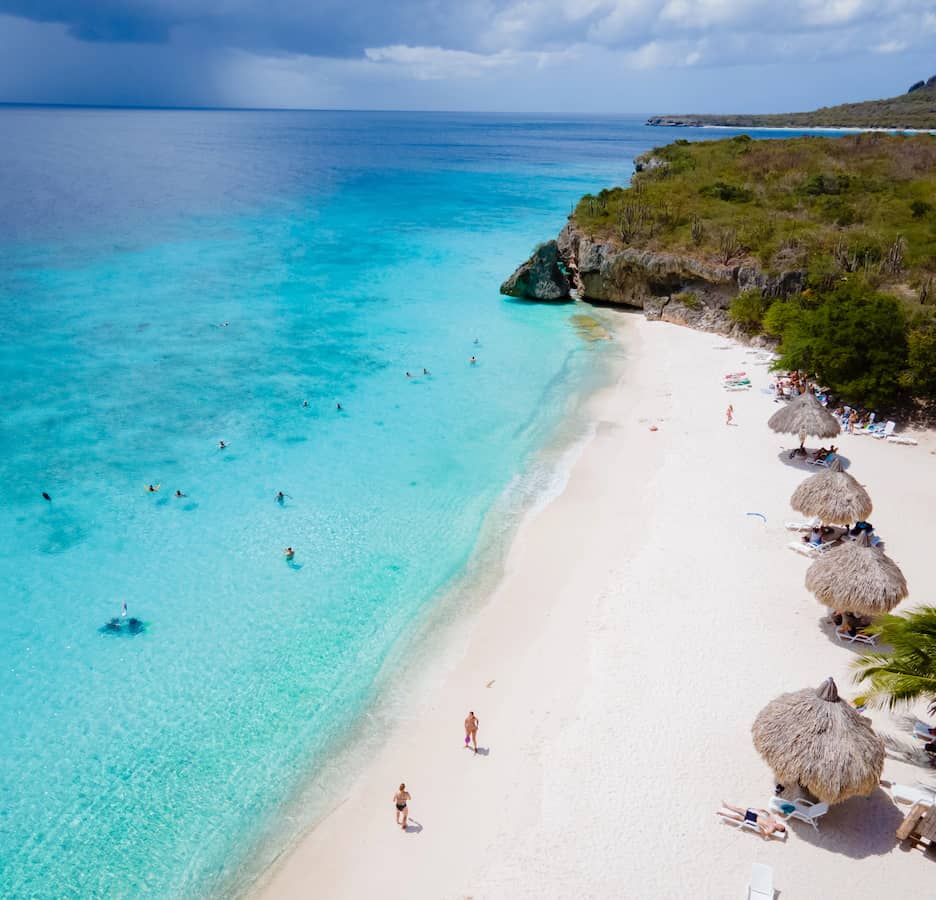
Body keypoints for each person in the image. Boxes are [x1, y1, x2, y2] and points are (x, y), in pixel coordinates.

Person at [719, 802, 787, 839]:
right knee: (739, 809)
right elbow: (768, 814)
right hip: (755, 815)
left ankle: (723, 814)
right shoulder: (773, 821)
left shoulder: (772, 829)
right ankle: (726, 806)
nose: (780, 825)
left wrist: (760, 828)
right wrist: (763, 810)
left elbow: (765, 834)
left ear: (779, 829)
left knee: (737, 817)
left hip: (753, 821)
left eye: (781, 827)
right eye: (782, 825)